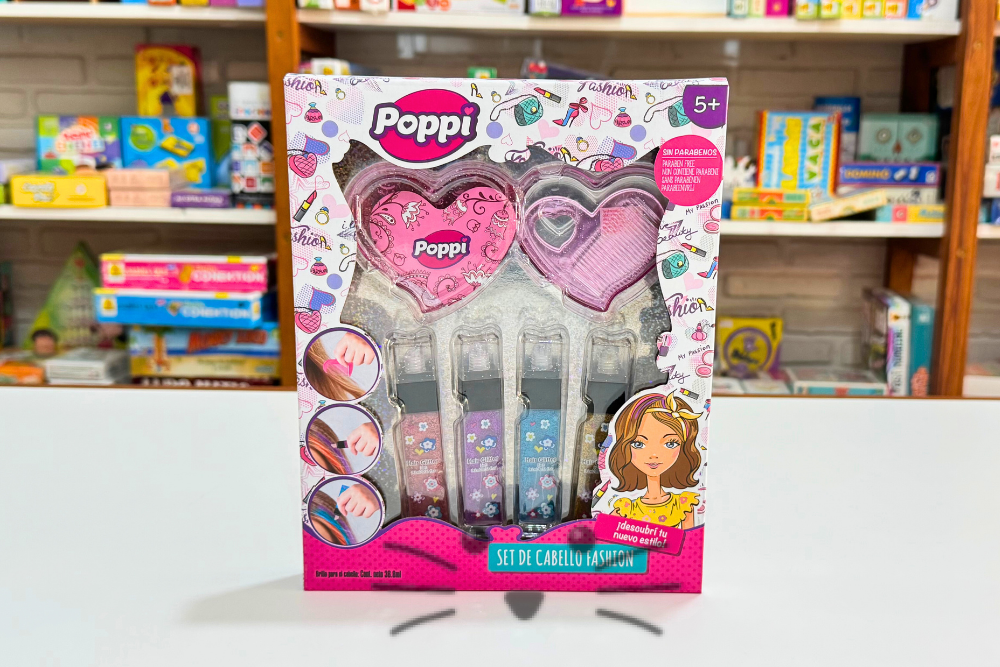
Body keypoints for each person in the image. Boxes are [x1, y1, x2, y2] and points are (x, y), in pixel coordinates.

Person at [606, 391, 702, 529]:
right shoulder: (626, 508)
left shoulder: (683, 505)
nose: (654, 455)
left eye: (670, 443)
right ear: (625, 447)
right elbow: (603, 534)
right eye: (638, 444)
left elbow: (689, 540)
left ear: (684, 448)